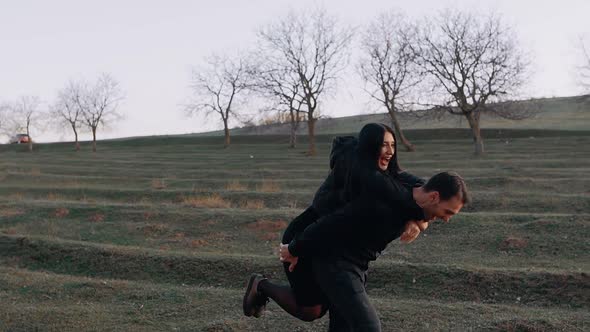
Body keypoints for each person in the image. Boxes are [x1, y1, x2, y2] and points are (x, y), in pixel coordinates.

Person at [243, 124, 427, 322]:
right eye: (384, 145)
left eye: (393, 145)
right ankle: (260, 285)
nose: (390, 151)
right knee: (311, 310)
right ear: (370, 146)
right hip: (305, 234)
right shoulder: (361, 171)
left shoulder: (383, 173)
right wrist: (418, 217)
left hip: (329, 241)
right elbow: (408, 197)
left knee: (333, 304)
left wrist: (417, 220)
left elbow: (424, 189)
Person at [281, 171, 468, 331]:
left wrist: (419, 221)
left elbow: (409, 181)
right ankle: (261, 286)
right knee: (367, 327)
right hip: (335, 260)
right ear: (434, 197)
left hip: (356, 264)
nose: (446, 219)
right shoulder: (381, 204)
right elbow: (330, 224)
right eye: (448, 212)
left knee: (342, 325)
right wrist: (295, 248)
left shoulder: (415, 193)